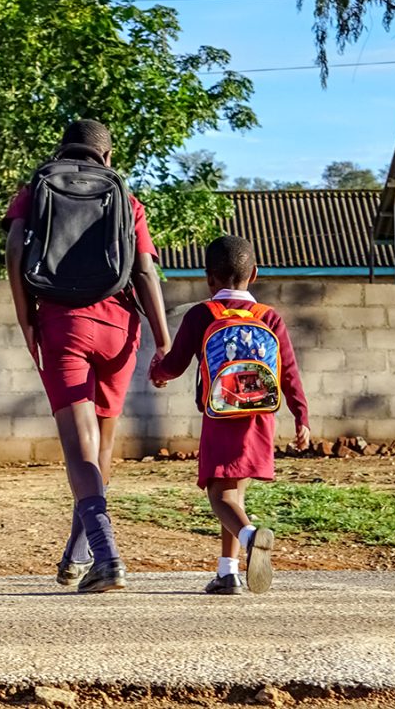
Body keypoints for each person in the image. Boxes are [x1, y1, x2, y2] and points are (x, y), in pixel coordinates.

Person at [3, 119, 171, 593]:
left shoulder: (35, 189)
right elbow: (145, 272)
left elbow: (15, 248)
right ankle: (80, 554)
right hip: (121, 331)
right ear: (107, 157)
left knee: (79, 447)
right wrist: (163, 340)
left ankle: (108, 556)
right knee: (103, 447)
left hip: (63, 324)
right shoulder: (125, 197)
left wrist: (26, 320)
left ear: (63, 149)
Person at [149, 235, 310, 594]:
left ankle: (252, 538)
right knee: (234, 496)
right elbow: (289, 371)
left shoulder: (202, 314)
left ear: (209, 278)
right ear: (254, 274)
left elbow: (174, 365)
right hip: (260, 418)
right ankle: (228, 573)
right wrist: (302, 417)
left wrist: (157, 371)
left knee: (220, 497)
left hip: (221, 416)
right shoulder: (269, 316)